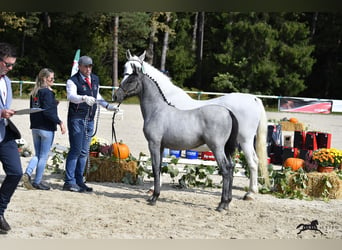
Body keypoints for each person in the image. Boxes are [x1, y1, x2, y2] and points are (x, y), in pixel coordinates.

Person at [63, 55, 118, 192]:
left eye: (90, 66)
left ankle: (79, 180)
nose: (88, 69)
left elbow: (97, 96)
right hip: (77, 118)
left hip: (90, 118)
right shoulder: (72, 81)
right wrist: (83, 98)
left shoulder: (95, 79)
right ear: (80, 66)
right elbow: (71, 96)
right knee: (75, 150)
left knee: (84, 151)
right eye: (86, 66)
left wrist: (107, 106)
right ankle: (69, 182)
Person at [22, 68, 66, 191]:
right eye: (51, 78)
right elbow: (48, 112)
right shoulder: (47, 92)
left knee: (38, 154)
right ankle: (37, 181)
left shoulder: (35, 92)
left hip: (35, 127)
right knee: (43, 156)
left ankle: (28, 172)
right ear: (44, 79)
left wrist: (53, 103)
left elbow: (40, 108)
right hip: (46, 128)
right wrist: (60, 122)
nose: (53, 80)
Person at [0, 42, 23, 233]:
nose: (10, 68)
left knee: (16, 172)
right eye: (7, 64)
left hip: (4, 133)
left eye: (12, 65)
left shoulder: (6, 81)